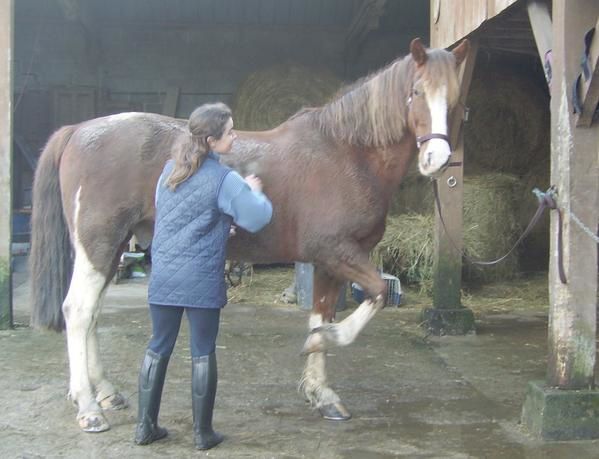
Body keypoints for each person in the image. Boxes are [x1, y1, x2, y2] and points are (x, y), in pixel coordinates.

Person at [134, 102, 273, 450]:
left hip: (164, 275)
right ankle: (202, 433)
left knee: (157, 347)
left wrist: (217, 224)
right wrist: (253, 192)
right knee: (202, 350)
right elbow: (257, 219)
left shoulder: (168, 170)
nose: (235, 135)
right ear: (211, 140)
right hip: (199, 278)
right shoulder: (224, 178)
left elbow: (174, 217)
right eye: (230, 132)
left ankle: (144, 427)